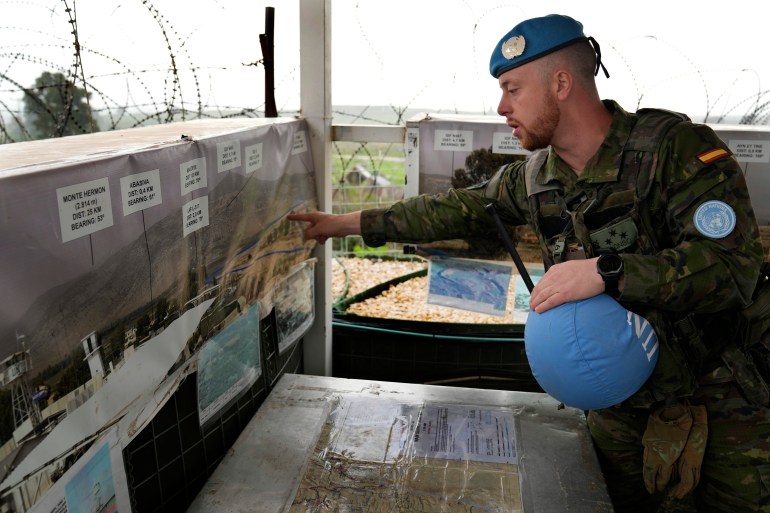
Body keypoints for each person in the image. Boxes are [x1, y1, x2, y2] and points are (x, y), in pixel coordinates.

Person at [288, 13, 770, 513]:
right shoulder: (535, 178)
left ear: (561, 83)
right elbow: (454, 210)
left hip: (724, 396)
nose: (502, 107)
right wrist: (340, 224)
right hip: (619, 402)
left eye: (513, 89)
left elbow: (731, 268)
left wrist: (608, 272)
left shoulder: (675, 152)